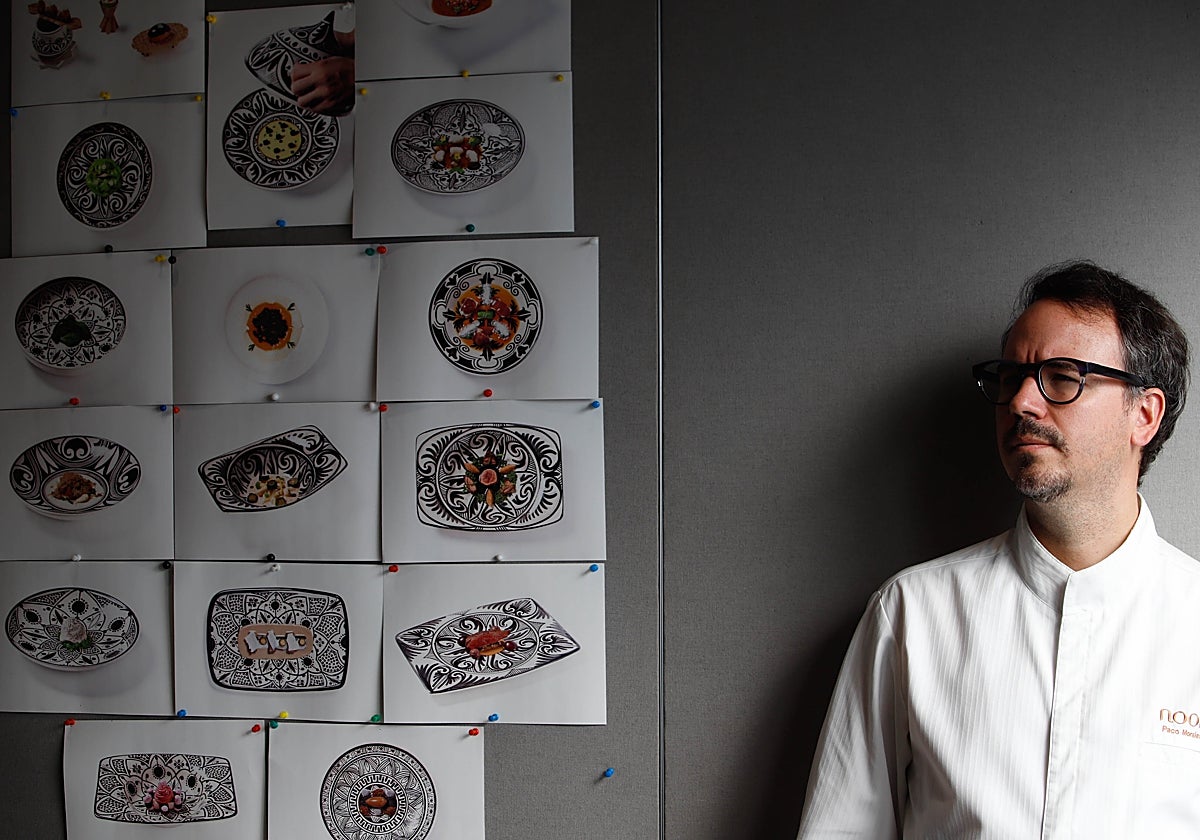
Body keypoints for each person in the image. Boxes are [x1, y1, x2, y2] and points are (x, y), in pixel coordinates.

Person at [797, 261, 1200, 838]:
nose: (1020, 403)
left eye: (1063, 377)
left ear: (1144, 415)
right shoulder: (912, 614)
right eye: (1011, 378)